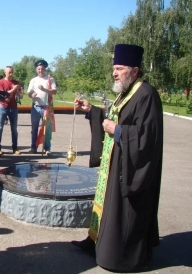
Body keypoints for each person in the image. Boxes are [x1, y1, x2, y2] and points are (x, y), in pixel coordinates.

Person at [72, 44, 163, 272]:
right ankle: (97, 243)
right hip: (115, 165)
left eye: (119, 68)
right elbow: (113, 118)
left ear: (134, 71)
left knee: (125, 216)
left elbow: (146, 137)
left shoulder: (146, 94)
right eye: (114, 68)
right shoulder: (126, 93)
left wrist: (120, 131)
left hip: (131, 169)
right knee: (106, 208)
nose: (114, 72)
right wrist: (91, 110)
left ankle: (123, 257)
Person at [27, 59, 56, 155]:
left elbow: (54, 91)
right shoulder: (33, 80)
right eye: (38, 69)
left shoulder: (50, 79)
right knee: (34, 128)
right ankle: (33, 147)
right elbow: (29, 92)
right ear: (36, 69)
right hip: (36, 107)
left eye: (42, 69)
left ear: (45, 69)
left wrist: (44, 89)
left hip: (47, 107)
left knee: (47, 129)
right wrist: (32, 94)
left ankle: (47, 148)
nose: (40, 70)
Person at [0, 66, 23, 155]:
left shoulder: (16, 82)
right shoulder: (0, 82)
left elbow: (21, 96)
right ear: (5, 72)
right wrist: (13, 90)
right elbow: (1, 95)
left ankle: (15, 148)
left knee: (14, 129)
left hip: (13, 107)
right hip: (3, 107)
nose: (10, 74)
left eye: (12, 72)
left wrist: (18, 93)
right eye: (9, 72)